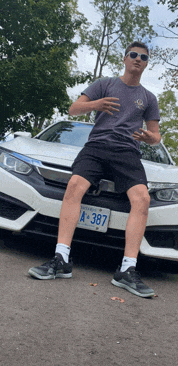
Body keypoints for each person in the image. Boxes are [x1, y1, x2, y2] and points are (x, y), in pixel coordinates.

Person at [28, 41, 161, 298]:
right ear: (124, 59)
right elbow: (73, 108)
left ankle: (127, 269)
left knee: (142, 198)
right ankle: (61, 259)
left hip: (127, 152)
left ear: (146, 64)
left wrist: (150, 139)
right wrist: (96, 105)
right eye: (133, 55)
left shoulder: (148, 98)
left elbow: (156, 135)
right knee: (75, 185)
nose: (137, 59)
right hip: (97, 147)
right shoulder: (105, 84)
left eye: (142, 57)